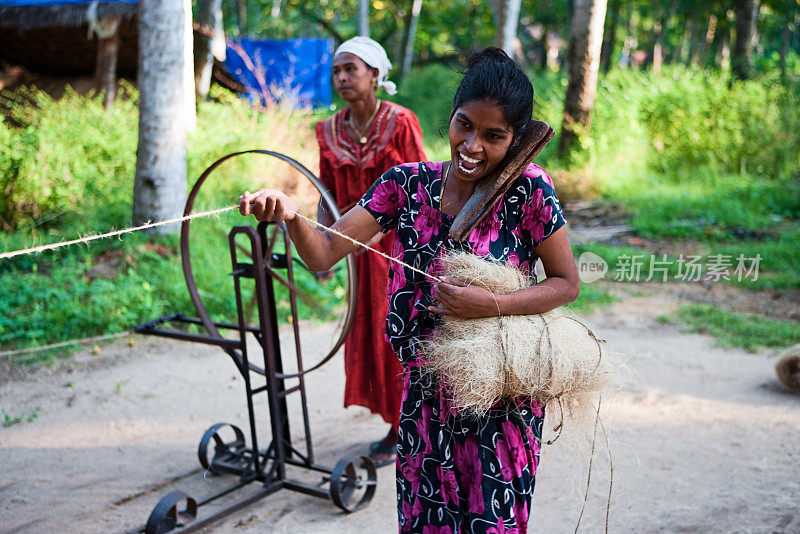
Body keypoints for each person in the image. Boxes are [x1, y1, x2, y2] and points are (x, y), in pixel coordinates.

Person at [240, 47, 579, 533]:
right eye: (464, 125)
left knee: (493, 524)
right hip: (424, 400)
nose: (472, 145)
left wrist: (494, 305)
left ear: (517, 138)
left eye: (494, 135)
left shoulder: (529, 191)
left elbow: (567, 284)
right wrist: (289, 214)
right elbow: (323, 254)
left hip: (502, 398)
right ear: (451, 117)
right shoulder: (406, 186)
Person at [315, 36, 427, 467]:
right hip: (355, 254)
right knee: (368, 333)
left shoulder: (400, 122)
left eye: (351, 69)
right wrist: (323, 247)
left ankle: (406, 427)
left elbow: (421, 188)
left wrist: (400, 238)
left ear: (375, 75)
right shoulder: (328, 130)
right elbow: (323, 192)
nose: (342, 78)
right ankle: (395, 421)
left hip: (398, 252)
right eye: (337, 72)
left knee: (399, 333)